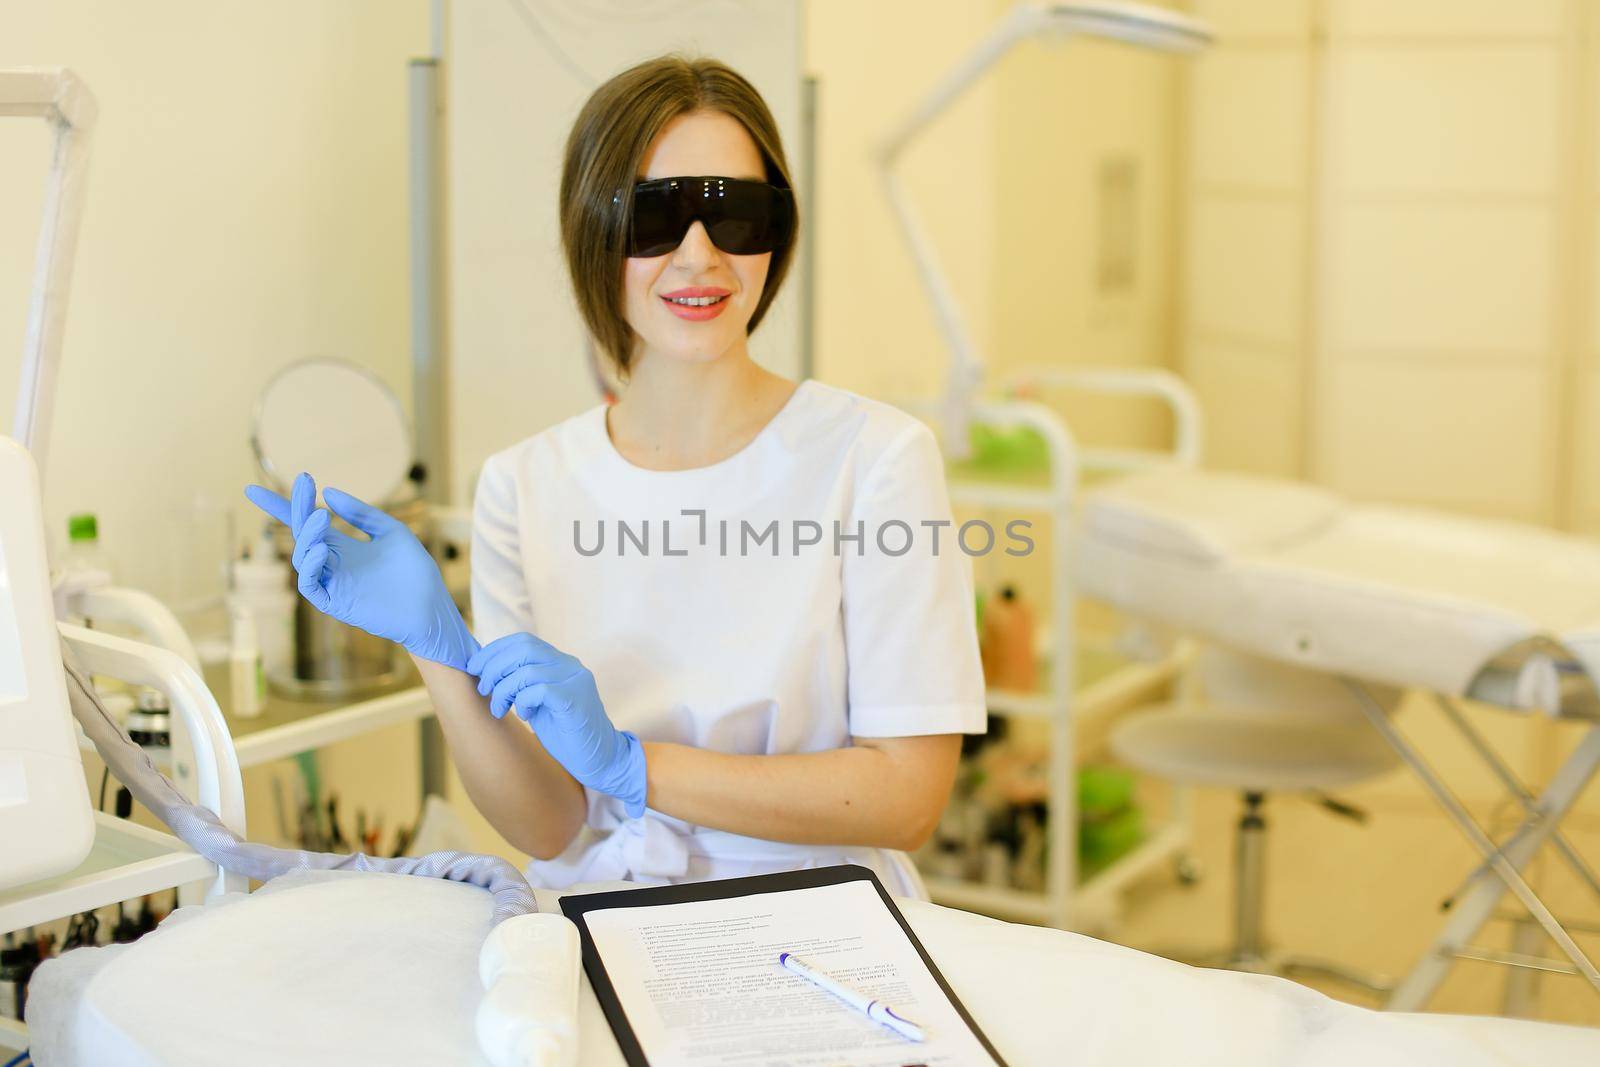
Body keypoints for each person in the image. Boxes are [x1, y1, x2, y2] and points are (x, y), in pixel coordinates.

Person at [247, 54, 984, 895]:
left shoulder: (875, 458)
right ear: (591, 233)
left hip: (821, 910)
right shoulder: (523, 485)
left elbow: (907, 796)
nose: (700, 255)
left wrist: (637, 768)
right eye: (652, 219)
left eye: (735, 214)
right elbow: (549, 823)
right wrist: (437, 650)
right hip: (602, 909)